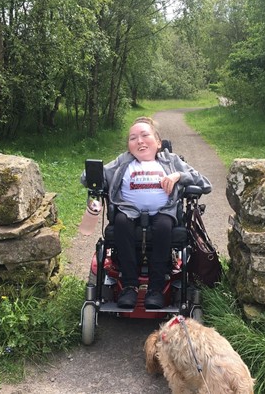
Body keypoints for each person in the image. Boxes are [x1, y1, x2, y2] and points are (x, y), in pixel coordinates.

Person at [82, 117, 211, 309]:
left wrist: (179, 175)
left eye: (145, 135)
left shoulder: (171, 160)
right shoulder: (123, 161)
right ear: (129, 146)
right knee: (121, 222)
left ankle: (156, 289)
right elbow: (88, 178)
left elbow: (205, 184)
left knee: (164, 225)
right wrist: (94, 175)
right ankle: (129, 286)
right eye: (133, 138)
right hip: (128, 211)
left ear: (158, 143)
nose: (139, 141)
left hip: (163, 212)